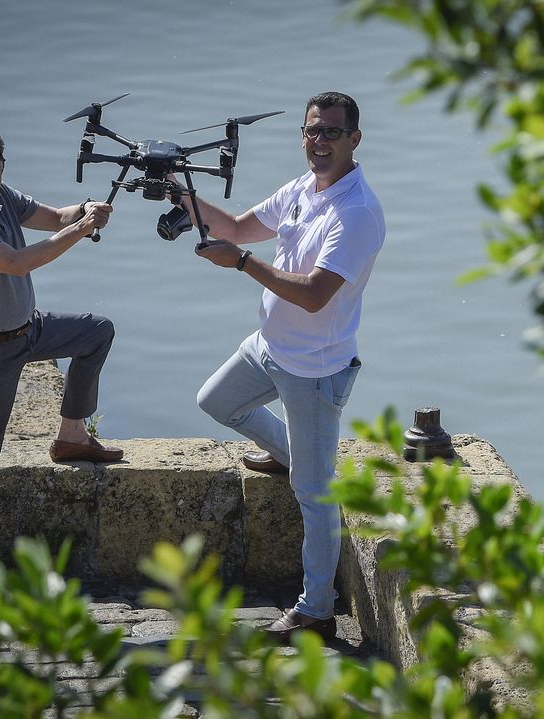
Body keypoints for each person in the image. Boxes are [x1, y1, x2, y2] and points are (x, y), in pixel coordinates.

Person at [175, 92, 385, 639]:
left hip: (315, 368)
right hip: (269, 346)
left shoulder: (356, 213)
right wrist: (185, 196)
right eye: (312, 131)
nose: (319, 142)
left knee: (315, 498)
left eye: (332, 133)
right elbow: (241, 226)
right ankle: (298, 453)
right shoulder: (302, 187)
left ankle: (316, 611)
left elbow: (315, 295)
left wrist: (242, 264)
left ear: (354, 140)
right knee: (216, 401)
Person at [0, 123, 126, 589]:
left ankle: (72, 437)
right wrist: (81, 230)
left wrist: (85, 209)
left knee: (97, 332)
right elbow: (18, 262)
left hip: (26, 332)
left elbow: (54, 216)